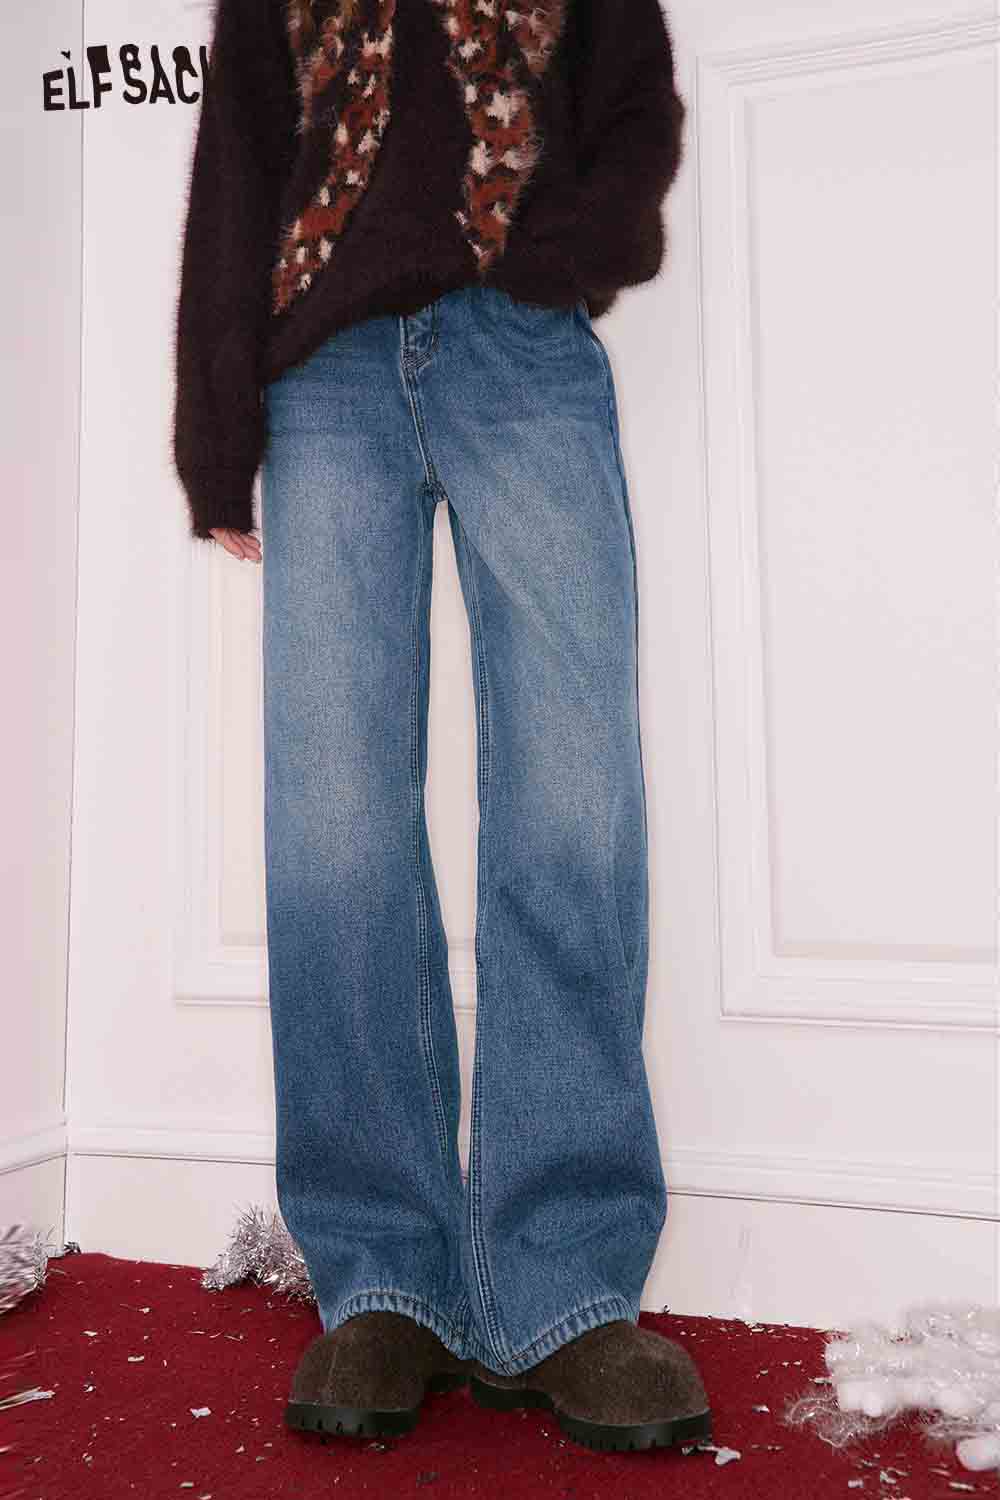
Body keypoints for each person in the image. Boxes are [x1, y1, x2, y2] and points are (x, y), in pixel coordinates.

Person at [173, 0, 711, 1455]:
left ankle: (564, 1283)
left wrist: (562, 252)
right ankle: (384, 1276)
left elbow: (635, 98)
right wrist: (216, 431)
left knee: (573, 792)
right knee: (334, 819)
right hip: (323, 373)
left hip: (524, 349)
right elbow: (239, 159)